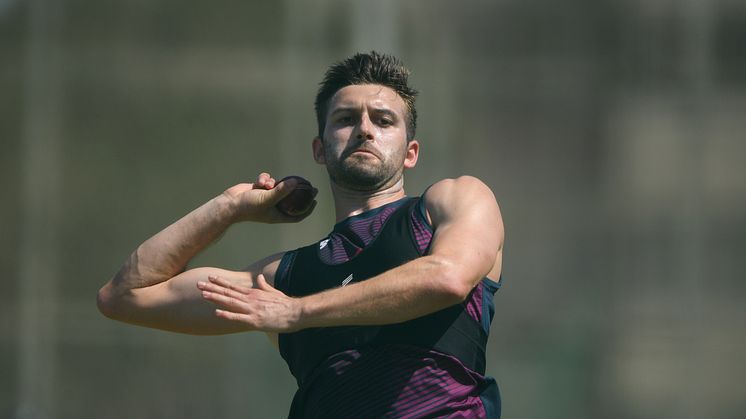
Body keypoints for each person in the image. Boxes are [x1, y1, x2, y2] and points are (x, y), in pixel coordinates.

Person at [97, 51, 505, 418]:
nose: (364, 129)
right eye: (346, 119)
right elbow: (125, 296)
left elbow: (446, 278)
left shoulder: (452, 201)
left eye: (383, 120)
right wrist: (228, 208)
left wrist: (297, 313)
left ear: (411, 151)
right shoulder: (285, 279)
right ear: (319, 149)